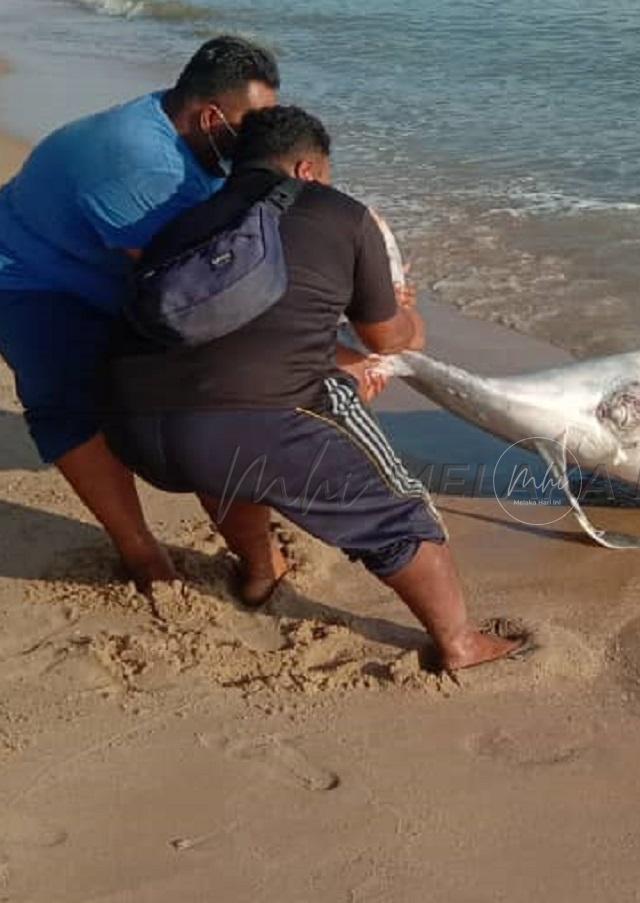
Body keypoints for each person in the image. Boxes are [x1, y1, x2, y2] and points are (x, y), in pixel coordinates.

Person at [104, 105, 522, 671]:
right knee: (399, 508)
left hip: (134, 429)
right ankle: (460, 643)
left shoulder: (184, 221)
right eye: (324, 173)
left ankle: (259, 572)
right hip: (243, 428)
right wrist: (409, 318)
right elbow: (388, 340)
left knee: (228, 449)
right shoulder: (344, 216)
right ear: (306, 170)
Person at [0, 36, 280, 590]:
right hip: (26, 274)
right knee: (66, 405)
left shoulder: (188, 129)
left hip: (97, 261)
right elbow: (190, 287)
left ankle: (256, 551)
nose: (260, 137)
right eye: (254, 124)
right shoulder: (143, 166)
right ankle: (140, 552)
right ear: (210, 115)